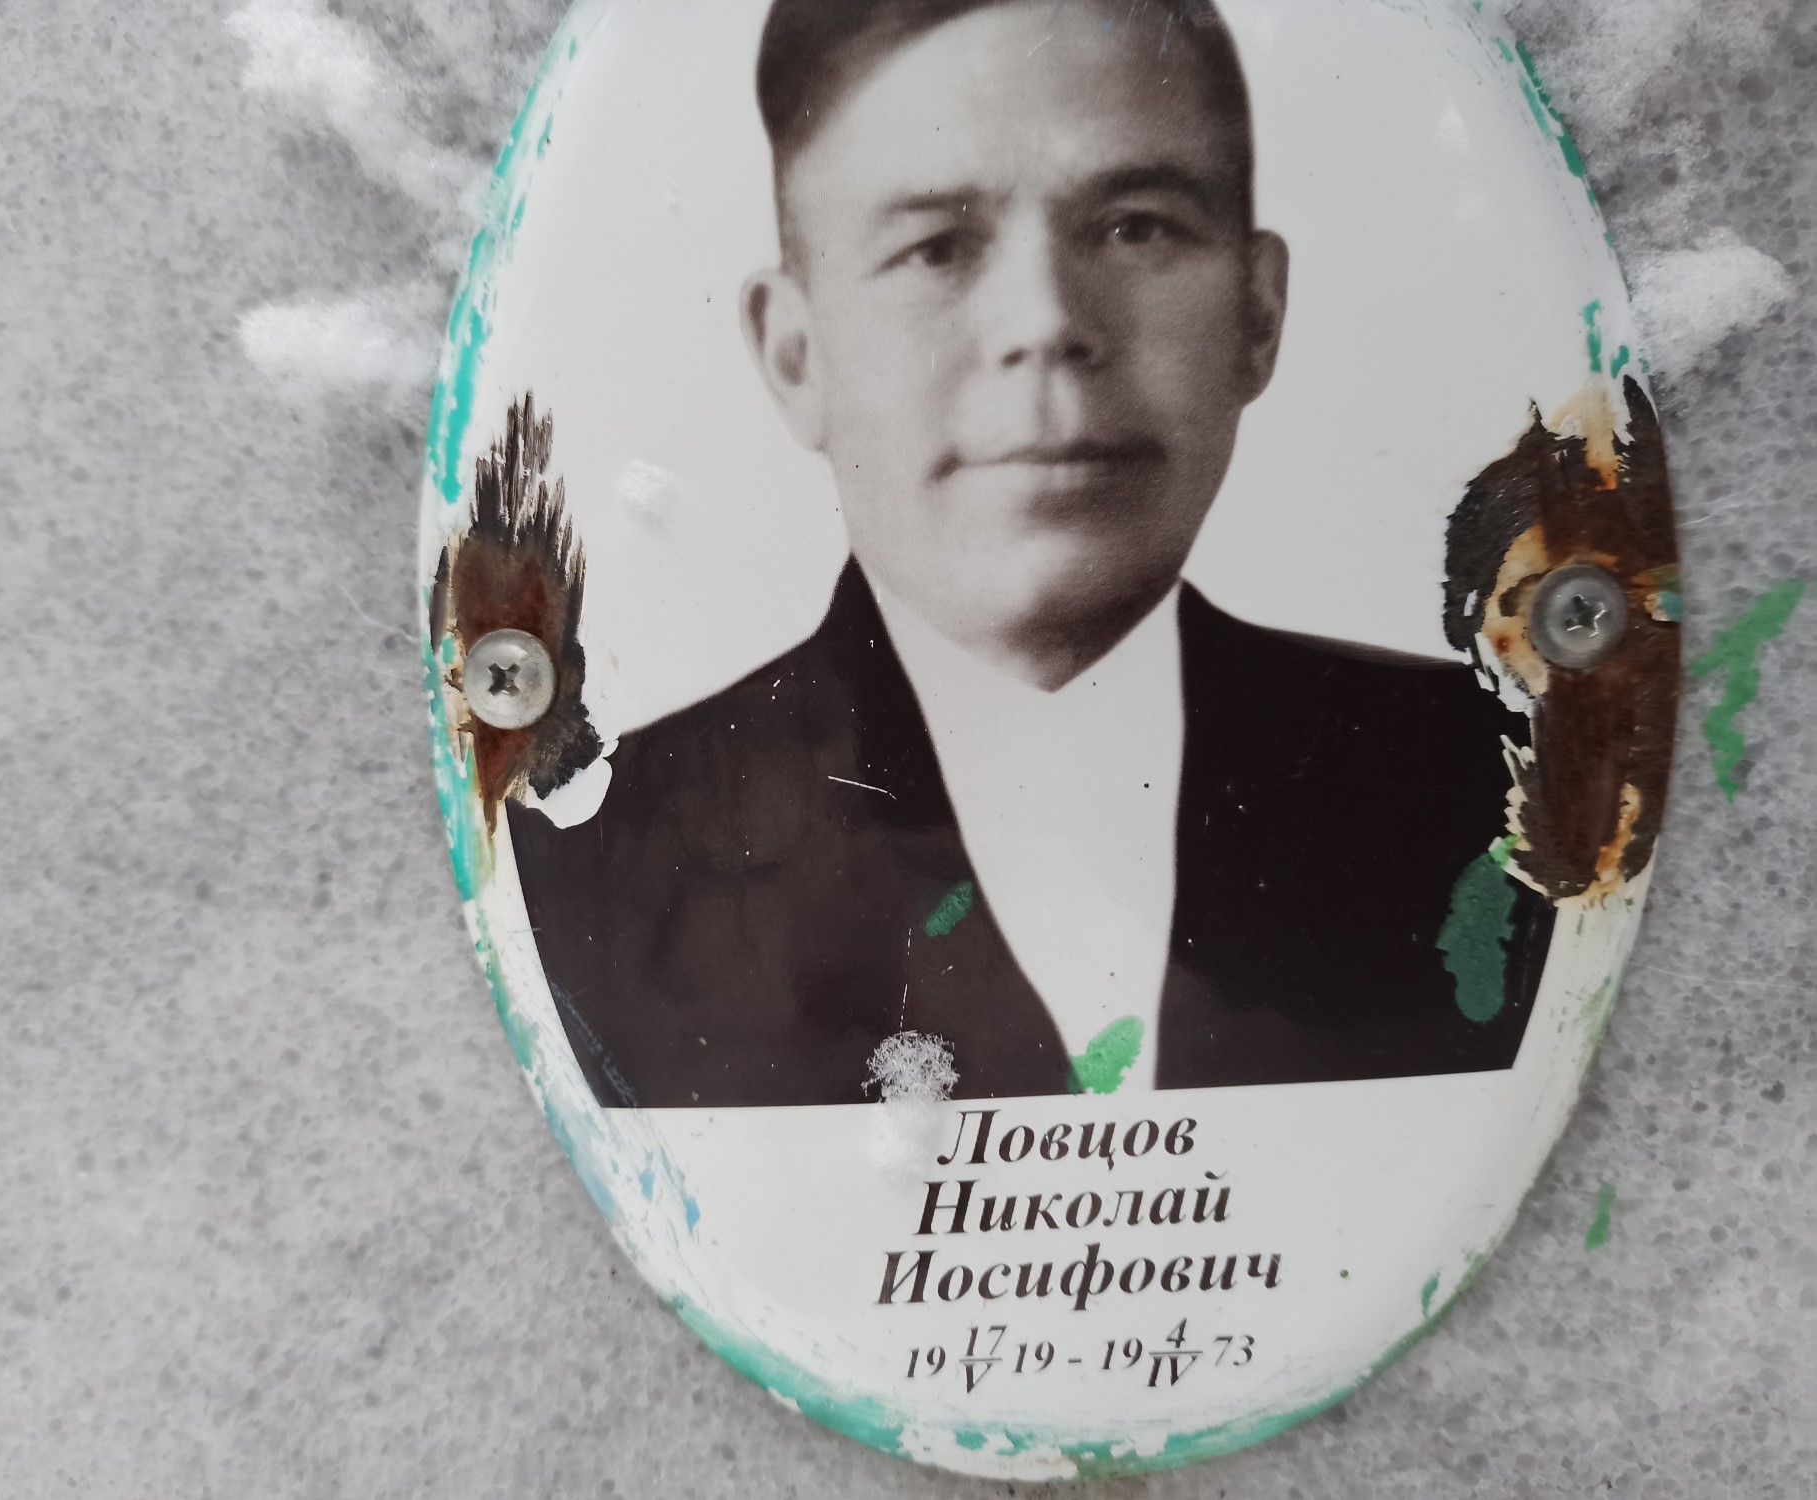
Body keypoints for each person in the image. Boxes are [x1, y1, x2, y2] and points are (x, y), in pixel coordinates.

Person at [507, 0, 1553, 1107]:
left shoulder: (1511, 789)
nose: (1046, 321)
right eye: (936, 248)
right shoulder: (601, 862)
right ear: (796, 354)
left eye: (1137, 227)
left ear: (1258, 312)